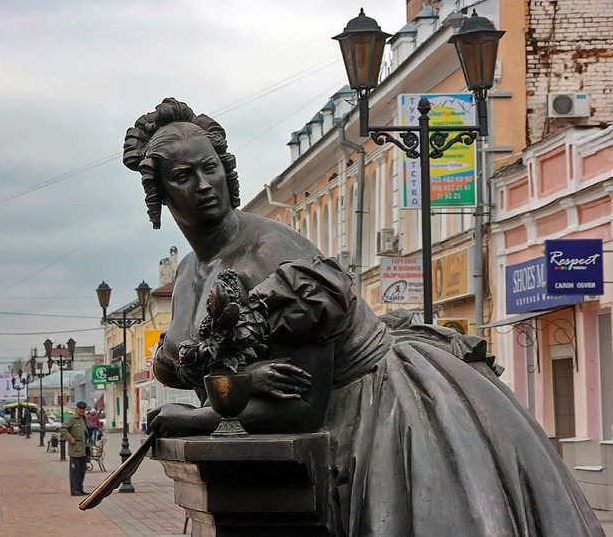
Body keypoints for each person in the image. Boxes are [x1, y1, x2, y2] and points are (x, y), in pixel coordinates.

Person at [124, 98, 603, 535]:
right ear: (160, 195)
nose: (204, 185)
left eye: (210, 169)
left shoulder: (274, 256)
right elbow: (205, 363)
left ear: (227, 171)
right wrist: (242, 381)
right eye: (183, 177)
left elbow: (303, 406)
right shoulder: (190, 272)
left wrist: (197, 418)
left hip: (379, 409)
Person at [60, 401, 89, 496]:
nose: (82, 410)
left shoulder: (84, 419)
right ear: (77, 409)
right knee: (75, 471)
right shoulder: (73, 419)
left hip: (84, 450)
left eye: (83, 409)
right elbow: (63, 429)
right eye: (80, 409)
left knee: (82, 470)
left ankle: (80, 488)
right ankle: (74, 489)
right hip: (75, 450)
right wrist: (70, 438)